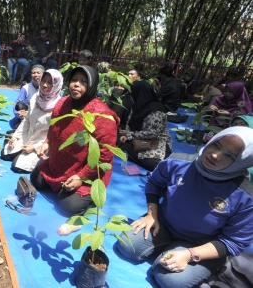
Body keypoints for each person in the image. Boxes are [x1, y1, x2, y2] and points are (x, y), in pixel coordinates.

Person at [117, 127, 253, 288]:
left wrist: (190, 254)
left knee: (171, 280)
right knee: (126, 245)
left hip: (202, 243)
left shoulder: (245, 195)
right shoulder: (179, 162)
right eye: (217, 145)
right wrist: (151, 215)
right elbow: (154, 182)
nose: (215, 155)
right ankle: (167, 246)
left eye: (230, 156)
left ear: (242, 162)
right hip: (164, 223)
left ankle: (177, 254)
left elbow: (233, 242)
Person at [32, 66, 119, 216]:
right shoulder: (63, 103)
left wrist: (81, 176)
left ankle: (86, 194)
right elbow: (54, 127)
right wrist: (48, 143)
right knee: (36, 179)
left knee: (67, 206)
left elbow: (105, 155)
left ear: (92, 85)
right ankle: (62, 185)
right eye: (74, 80)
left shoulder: (103, 116)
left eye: (83, 81)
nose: (76, 84)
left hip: (85, 170)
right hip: (61, 164)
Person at [3, 69, 63, 172]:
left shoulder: (59, 106)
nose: (45, 85)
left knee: (16, 166)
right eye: (43, 80)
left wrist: (34, 147)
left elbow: (53, 134)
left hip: (42, 144)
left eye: (50, 82)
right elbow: (26, 121)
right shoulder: (35, 98)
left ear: (57, 85)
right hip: (27, 136)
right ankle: (18, 146)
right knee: (5, 154)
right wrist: (16, 137)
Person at [119, 80, 172, 171]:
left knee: (153, 164)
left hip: (155, 140)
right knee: (117, 139)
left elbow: (152, 133)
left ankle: (131, 153)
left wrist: (129, 135)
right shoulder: (136, 105)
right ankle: (131, 152)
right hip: (136, 137)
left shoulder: (156, 110)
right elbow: (129, 122)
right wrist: (126, 135)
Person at [9, 64, 45, 129]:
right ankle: (22, 122)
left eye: (38, 73)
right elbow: (17, 102)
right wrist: (18, 113)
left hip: (42, 111)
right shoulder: (26, 88)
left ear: (43, 75)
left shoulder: (45, 88)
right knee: (19, 105)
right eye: (33, 73)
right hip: (28, 111)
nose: (35, 75)